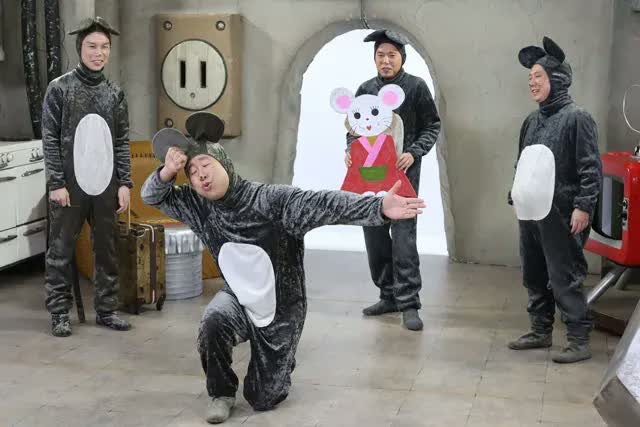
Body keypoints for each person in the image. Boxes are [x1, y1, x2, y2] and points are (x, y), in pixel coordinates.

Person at [141, 112, 425, 424]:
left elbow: (326, 205)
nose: (202, 176)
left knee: (262, 398)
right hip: (237, 298)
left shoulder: (271, 201)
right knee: (213, 321)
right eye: (193, 173)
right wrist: (168, 171)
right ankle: (220, 392)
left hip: (281, 308)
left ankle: (281, 361)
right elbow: (151, 195)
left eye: (206, 166)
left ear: (225, 164)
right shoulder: (199, 207)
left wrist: (378, 206)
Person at [508, 36, 602, 363]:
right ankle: (540, 330)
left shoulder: (578, 118)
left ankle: (579, 339)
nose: (532, 83)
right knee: (534, 274)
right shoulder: (531, 121)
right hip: (530, 213)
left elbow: (590, 167)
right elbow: (522, 162)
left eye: (539, 76)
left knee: (565, 276)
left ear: (557, 78)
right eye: (530, 77)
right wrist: (516, 195)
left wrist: (583, 206)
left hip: (561, 213)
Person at [42, 17, 132, 337]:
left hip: (106, 183)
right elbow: (50, 138)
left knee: (107, 248)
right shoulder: (60, 88)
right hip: (69, 184)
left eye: (104, 47)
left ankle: (106, 310)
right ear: (80, 48)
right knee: (61, 249)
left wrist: (125, 183)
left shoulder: (114, 92)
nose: (99, 53)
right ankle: (59, 313)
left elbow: (121, 141)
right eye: (92, 46)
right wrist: (56, 183)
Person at [345, 29, 441, 331]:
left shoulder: (416, 87)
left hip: (404, 176)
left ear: (402, 58)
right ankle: (388, 295)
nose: (385, 61)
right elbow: (354, 128)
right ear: (374, 58)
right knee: (373, 234)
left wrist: (414, 152)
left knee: (403, 239)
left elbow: (432, 125)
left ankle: (409, 303)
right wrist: (350, 150)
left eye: (391, 55)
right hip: (370, 176)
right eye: (380, 55)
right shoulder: (365, 89)